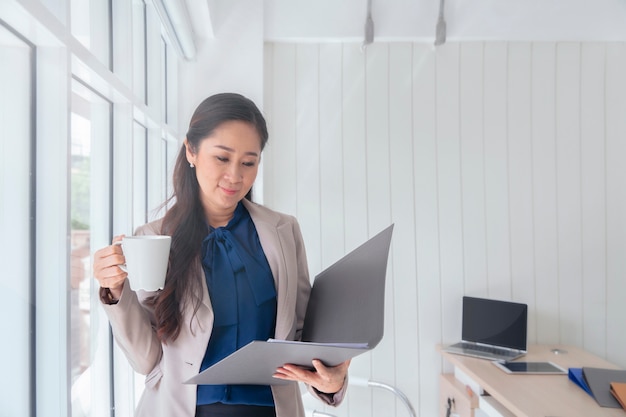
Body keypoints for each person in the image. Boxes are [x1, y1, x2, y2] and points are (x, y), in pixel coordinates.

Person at [93, 93, 350, 417]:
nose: (235, 176)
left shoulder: (284, 231)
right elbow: (147, 360)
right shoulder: (152, 239)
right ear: (191, 151)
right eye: (222, 158)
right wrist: (117, 292)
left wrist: (332, 381)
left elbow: (300, 337)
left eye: (248, 162)